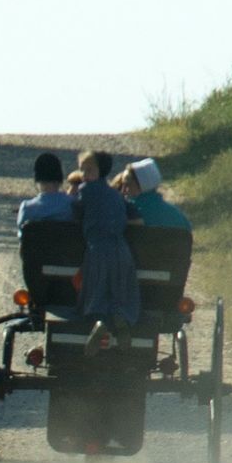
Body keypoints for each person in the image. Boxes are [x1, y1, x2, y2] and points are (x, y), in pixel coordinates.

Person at [73, 150, 140, 355]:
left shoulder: (85, 190)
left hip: (98, 249)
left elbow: (75, 212)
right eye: (82, 170)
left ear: (100, 171)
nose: (84, 175)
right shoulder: (116, 195)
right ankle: (121, 318)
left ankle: (100, 321)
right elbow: (137, 218)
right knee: (120, 290)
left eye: (89, 170)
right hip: (121, 249)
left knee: (96, 290)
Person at [122, 158, 192, 230]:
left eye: (127, 184)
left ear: (140, 185)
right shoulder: (178, 217)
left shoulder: (128, 214)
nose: (123, 190)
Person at [16, 153, 74, 238]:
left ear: (36, 178)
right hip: (66, 246)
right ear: (60, 177)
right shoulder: (73, 204)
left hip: (35, 246)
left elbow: (21, 236)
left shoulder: (27, 208)